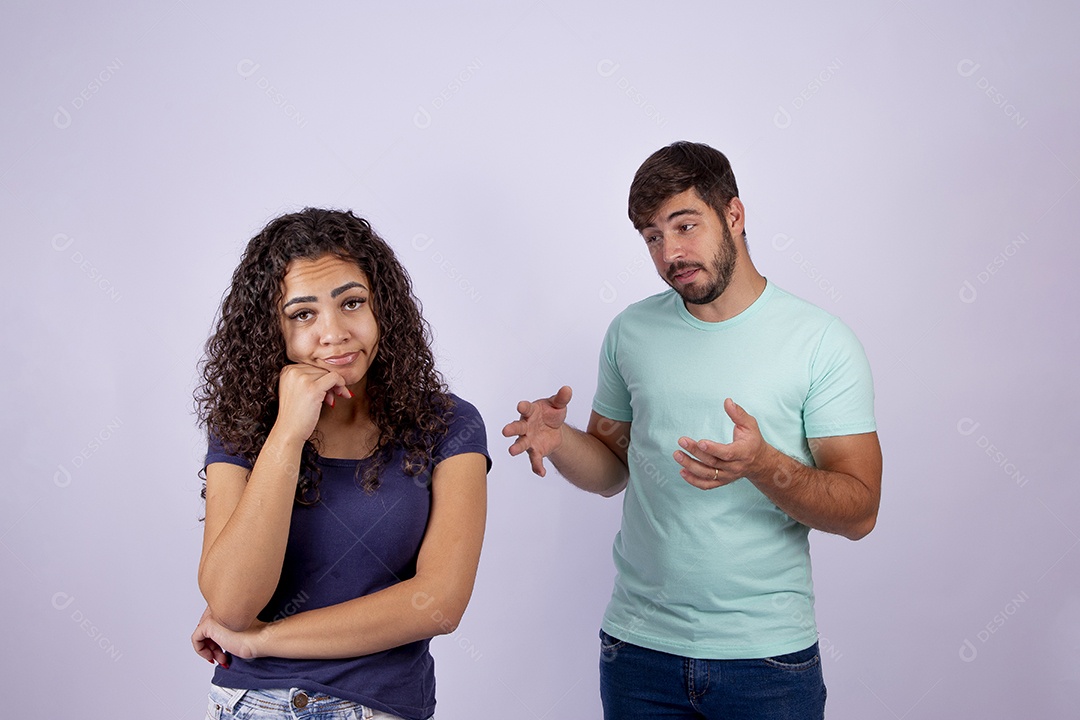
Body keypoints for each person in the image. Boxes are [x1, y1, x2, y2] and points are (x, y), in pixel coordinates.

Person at [503, 141, 881, 719]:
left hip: (767, 661)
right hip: (637, 651)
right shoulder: (631, 331)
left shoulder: (821, 342)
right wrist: (561, 442)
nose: (670, 252)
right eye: (653, 236)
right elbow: (612, 470)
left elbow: (860, 512)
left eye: (685, 226)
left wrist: (761, 464)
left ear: (734, 215)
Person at [191, 208, 489, 720]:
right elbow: (232, 604)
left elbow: (439, 602)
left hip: (377, 705)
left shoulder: (448, 425)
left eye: (351, 303)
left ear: (383, 312)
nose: (334, 333)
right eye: (303, 314)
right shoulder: (243, 427)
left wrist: (266, 640)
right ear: (272, 330)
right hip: (251, 704)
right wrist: (287, 433)